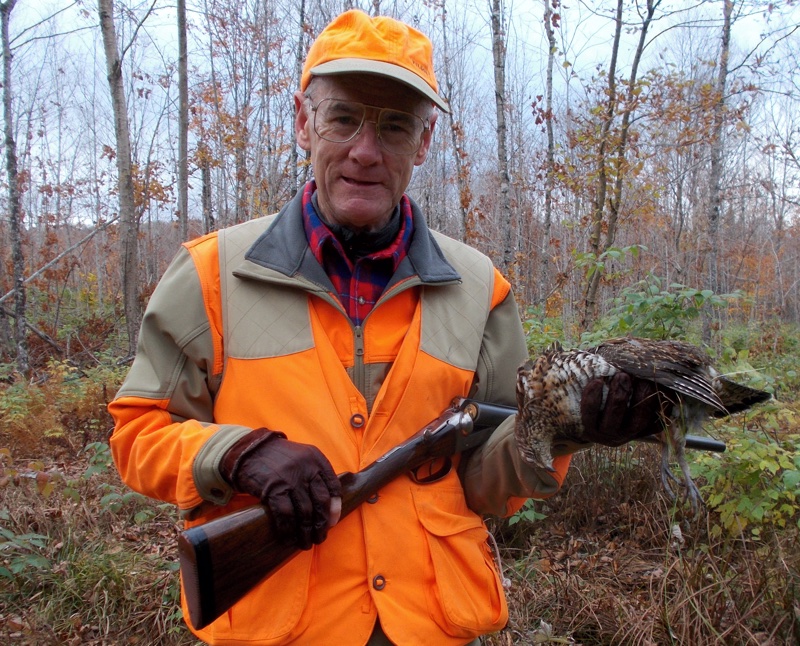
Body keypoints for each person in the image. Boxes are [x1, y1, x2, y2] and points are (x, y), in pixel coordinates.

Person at [109, 9, 659, 645]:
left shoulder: (481, 289)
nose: (365, 152)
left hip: (428, 628)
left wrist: (566, 429)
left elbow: (485, 481)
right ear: (302, 121)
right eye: (343, 118)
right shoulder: (211, 274)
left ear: (422, 145)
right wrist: (238, 453)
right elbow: (137, 435)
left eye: (395, 127)